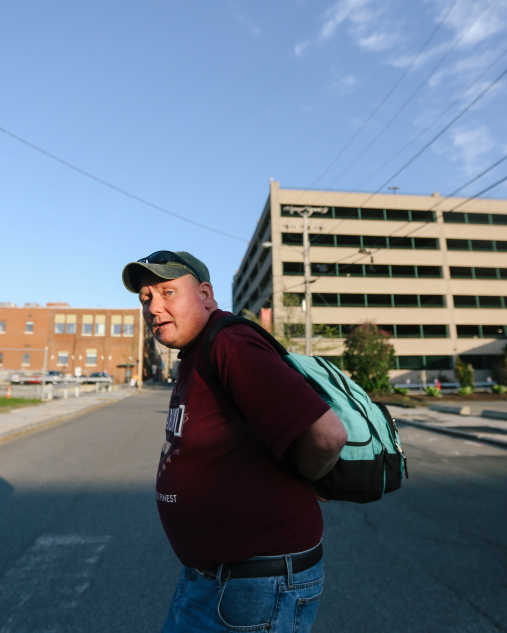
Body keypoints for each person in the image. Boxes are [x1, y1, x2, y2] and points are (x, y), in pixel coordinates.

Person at [122, 250, 347, 633]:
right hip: (210, 577)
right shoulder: (196, 351)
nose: (154, 307)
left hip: (256, 586)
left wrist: (307, 477)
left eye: (167, 292)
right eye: (146, 298)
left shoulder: (232, 343)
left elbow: (327, 435)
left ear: (205, 294)